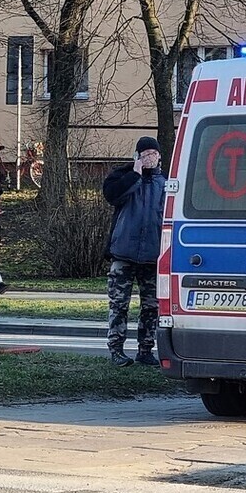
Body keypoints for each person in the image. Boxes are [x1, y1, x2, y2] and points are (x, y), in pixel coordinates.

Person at [102, 136, 164, 367]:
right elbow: (112, 196)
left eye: (153, 154)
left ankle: (145, 349)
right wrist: (135, 174)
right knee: (119, 305)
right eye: (145, 154)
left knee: (151, 306)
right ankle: (116, 349)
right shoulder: (122, 176)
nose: (149, 158)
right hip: (123, 253)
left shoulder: (166, 183)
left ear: (159, 156)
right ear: (137, 156)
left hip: (153, 256)